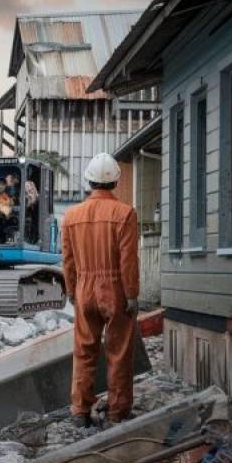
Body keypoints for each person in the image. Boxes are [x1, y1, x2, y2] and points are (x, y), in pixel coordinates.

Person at [63, 153, 139, 428]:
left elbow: (68, 260)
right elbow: (128, 260)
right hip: (115, 289)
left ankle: (79, 411)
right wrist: (131, 294)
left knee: (84, 350)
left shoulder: (71, 216)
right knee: (118, 351)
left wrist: (72, 292)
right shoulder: (125, 213)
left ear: (89, 181)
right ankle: (117, 411)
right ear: (116, 182)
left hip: (84, 288)